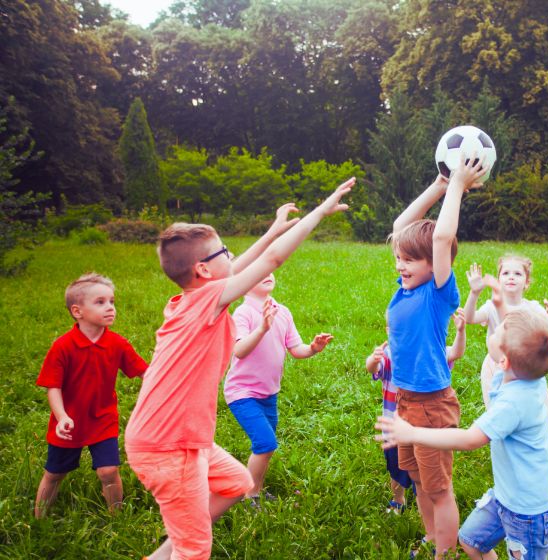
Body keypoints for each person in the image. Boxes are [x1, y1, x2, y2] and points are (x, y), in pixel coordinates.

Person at [125, 182, 353, 560]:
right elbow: (271, 262)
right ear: (202, 269)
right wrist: (320, 210)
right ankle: (186, 545)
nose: (231, 257)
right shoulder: (208, 300)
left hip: (181, 438)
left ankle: (171, 547)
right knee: (197, 551)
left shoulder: (191, 297)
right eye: (223, 252)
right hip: (169, 444)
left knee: (236, 482)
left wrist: (272, 230)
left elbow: (239, 266)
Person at [376, 281, 548, 560]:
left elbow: (469, 439)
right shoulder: (521, 375)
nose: (493, 329)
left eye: (495, 332)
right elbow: (508, 340)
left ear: (504, 361)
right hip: (504, 496)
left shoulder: (515, 402)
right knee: (471, 541)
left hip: (528, 513)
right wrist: (498, 301)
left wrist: (413, 433)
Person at [387, 154, 485, 558]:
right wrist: (440, 184)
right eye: (399, 259)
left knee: (438, 487)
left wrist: (459, 186)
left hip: (431, 404)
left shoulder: (437, 293)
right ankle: (432, 540)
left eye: (410, 260)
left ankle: (444, 552)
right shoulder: (406, 286)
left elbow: (442, 238)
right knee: (416, 478)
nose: (401, 264)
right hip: (405, 401)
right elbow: (399, 230)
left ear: (435, 266)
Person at [34, 273, 148, 518]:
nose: (110, 308)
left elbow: (145, 373)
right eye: (100, 302)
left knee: (108, 471)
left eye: (112, 301)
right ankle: (38, 520)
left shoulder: (118, 344)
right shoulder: (63, 346)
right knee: (54, 473)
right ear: (77, 311)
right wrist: (62, 416)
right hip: (69, 423)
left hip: (103, 420)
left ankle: (117, 518)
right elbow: (52, 387)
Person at [224, 271, 334, 508]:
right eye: (258, 271)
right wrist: (262, 328)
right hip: (242, 393)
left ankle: (257, 489)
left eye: (268, 269)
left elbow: (296, 349)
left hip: (268, 394)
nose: (267, 274)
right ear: (244, 285)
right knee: (265, 443)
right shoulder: (243, 313)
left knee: (266, 447)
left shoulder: (282, 311)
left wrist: (313, 348)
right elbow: (239, 350)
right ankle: (249, 496)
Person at [365, 309, 467, 515]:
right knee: (396, 469)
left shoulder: (430, 353)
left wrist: (461, 331)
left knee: (424, 466)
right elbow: (371, 369)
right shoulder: (389, 356)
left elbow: (455, 353)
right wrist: (374, 359)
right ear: (389, 331)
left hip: (424, 427)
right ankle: (398, 498)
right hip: (395, 429)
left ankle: (426, 497)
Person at [464, 255, 548, 423]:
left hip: (526, 364)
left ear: (527, 283)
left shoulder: (532, 307)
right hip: (497, 367)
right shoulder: (491, 306)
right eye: (506, 273)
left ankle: (530, 430)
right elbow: (470, 318)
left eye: (517, 274)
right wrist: (474, 293)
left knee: (531, 409)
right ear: (499, 280)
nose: (511, 277)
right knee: (500, 413)